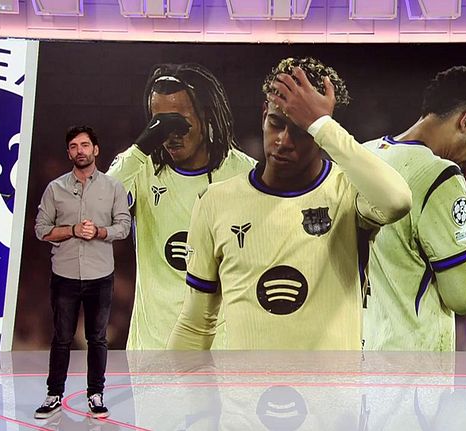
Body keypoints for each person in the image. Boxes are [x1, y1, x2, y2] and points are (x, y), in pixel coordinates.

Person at [167, 57, 412, 350]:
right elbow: (195, 325)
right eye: (276, 124)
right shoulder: (215, 202)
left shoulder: (349, 193)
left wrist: (322, 125)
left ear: (321, 134)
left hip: (334, 381)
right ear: (264, 114)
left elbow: (397, 201)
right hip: (247, 381)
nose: (283, 141)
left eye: (300, 131)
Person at [107, 63, 255, 350]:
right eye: (159, 123)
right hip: (153, 353)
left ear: (206, 115)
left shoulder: (245, 174)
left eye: (179, 121)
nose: (170, 133)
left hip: (222, 353)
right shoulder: (139, 169)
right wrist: (141, 147)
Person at [362, 66, 466, 351]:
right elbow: (464, 297)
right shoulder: (440, 175)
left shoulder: (365, 153)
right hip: (412, 366)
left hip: (360, 353)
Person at [33, 126, 131, 419]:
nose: (80, 151)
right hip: (64, 275)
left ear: (95, 150)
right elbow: (41, 230)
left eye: (85, 145)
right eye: (74, 146)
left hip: (100, 274)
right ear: (69, 153)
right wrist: (72, 230)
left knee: (97, 339)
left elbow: (124, 226)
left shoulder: (113, 187)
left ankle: (95, 395)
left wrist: (99, 231)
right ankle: (54, 394)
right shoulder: (55, 189)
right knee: (62, 337)